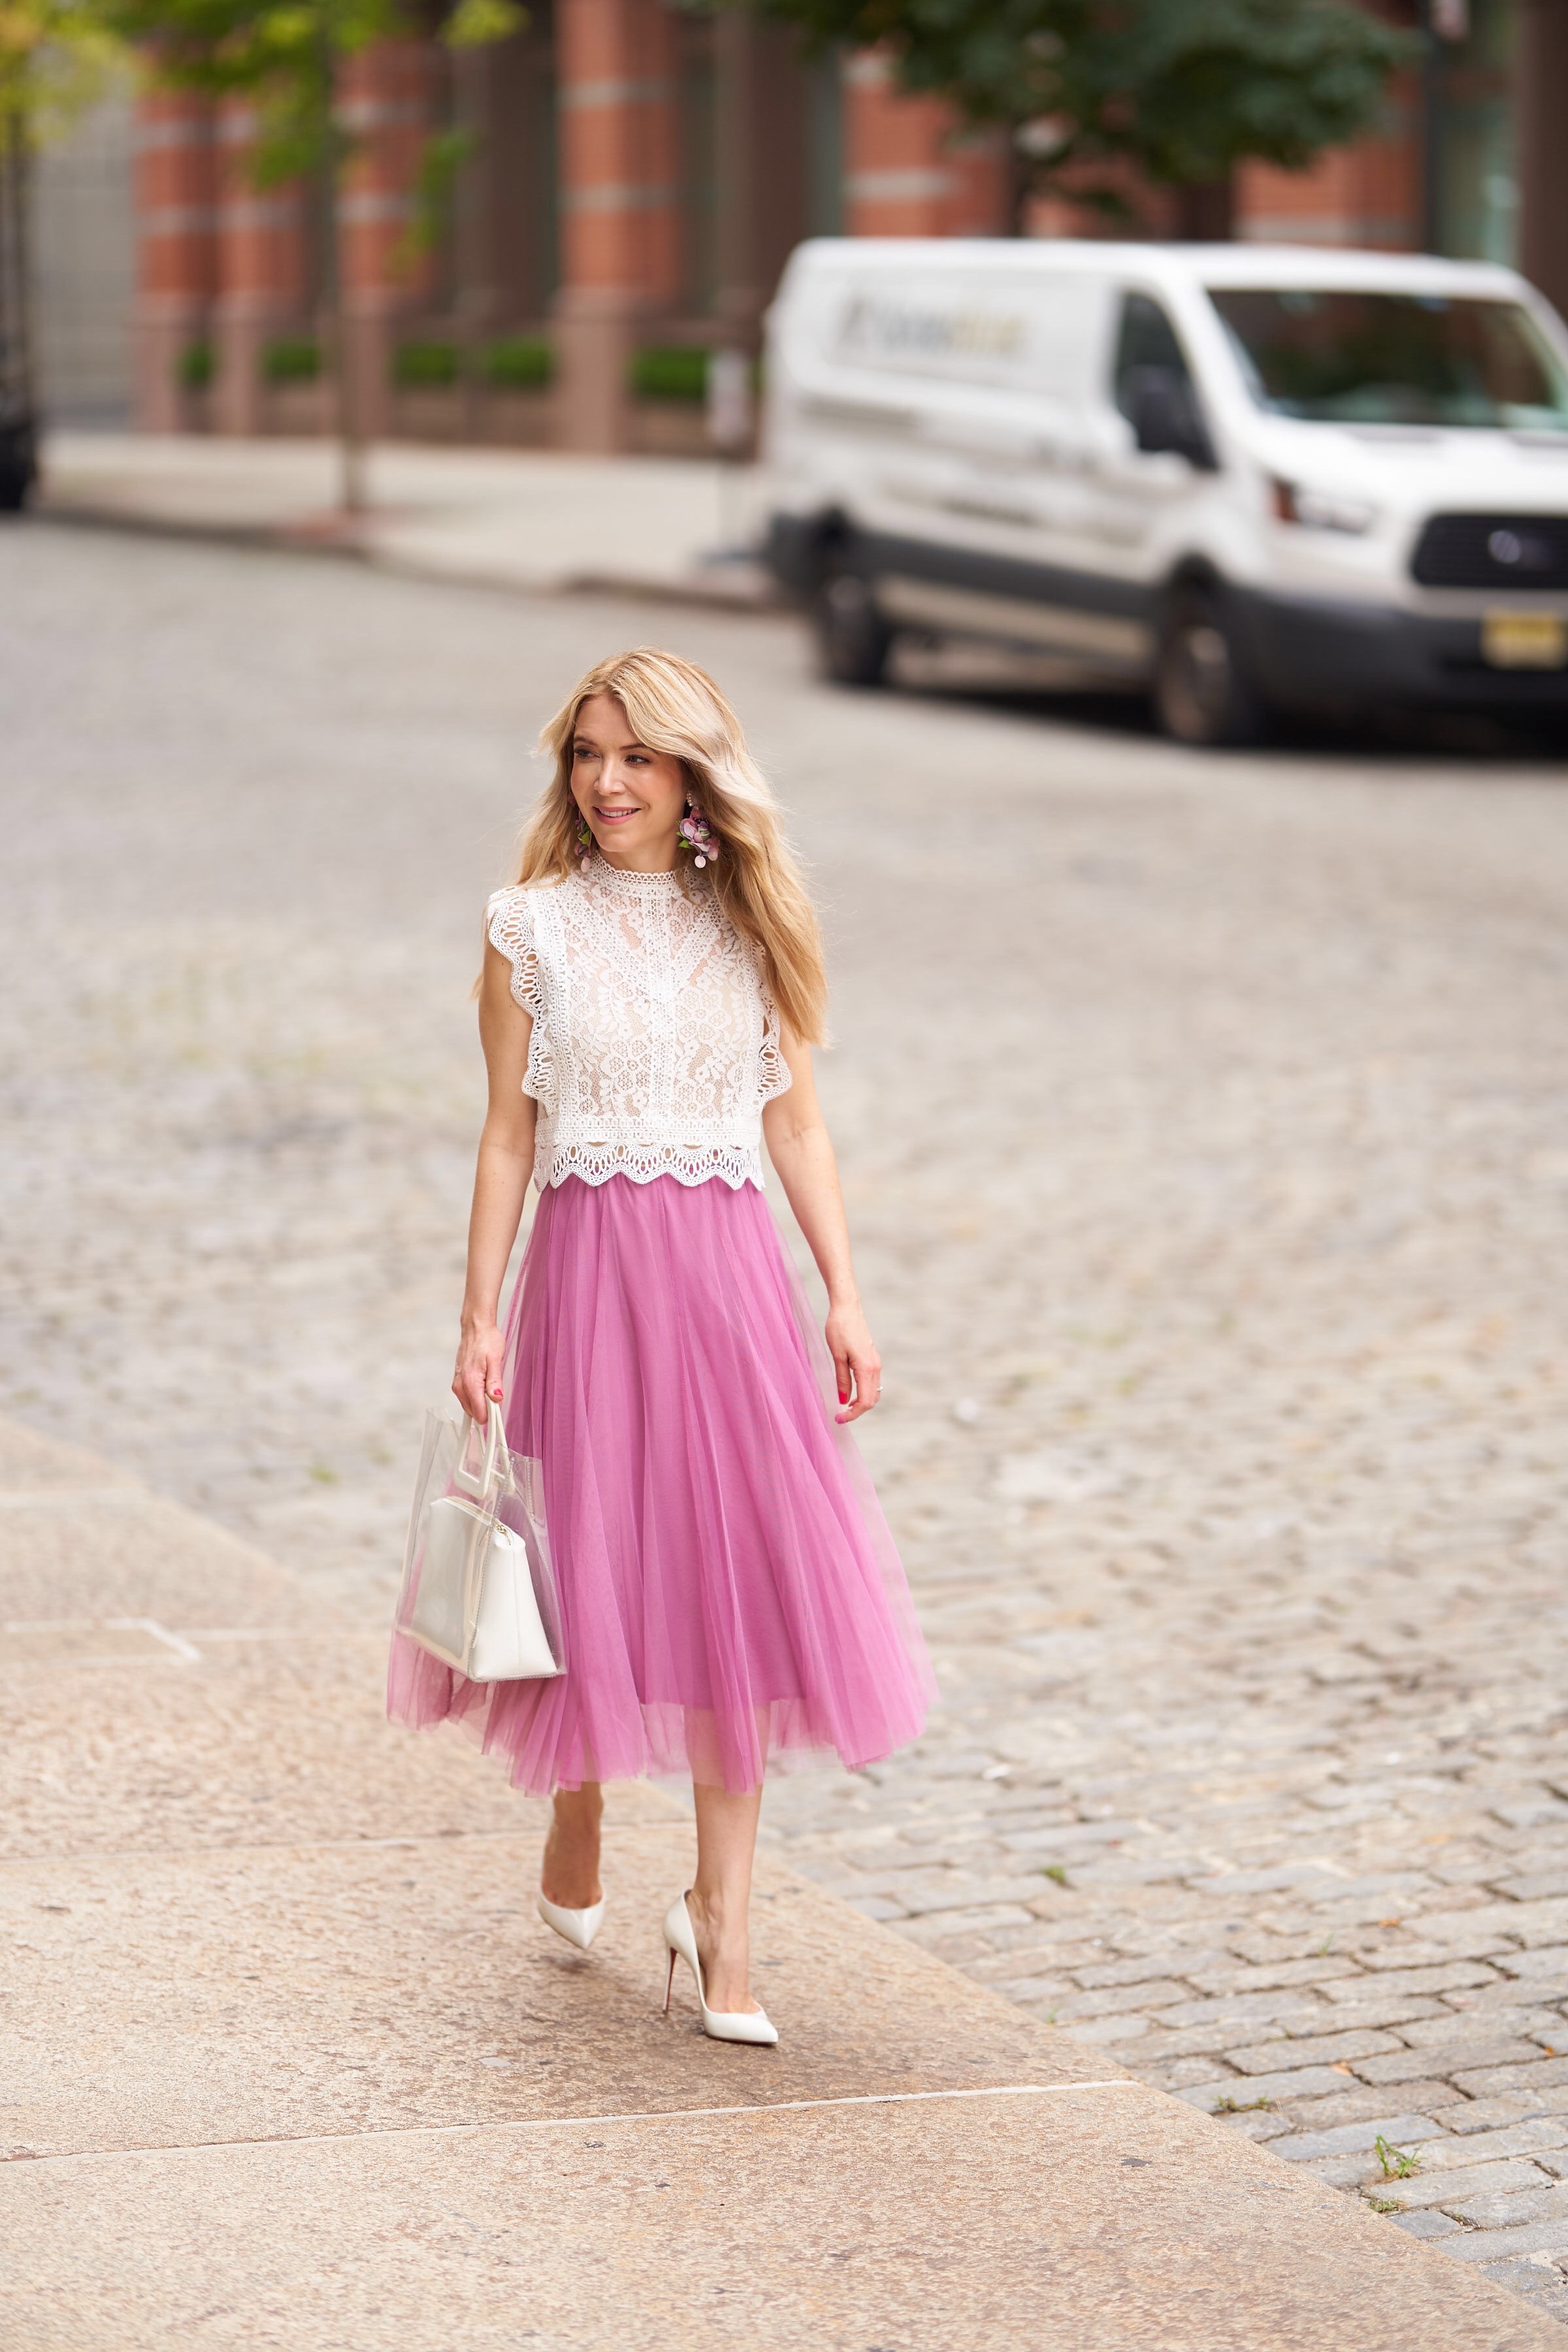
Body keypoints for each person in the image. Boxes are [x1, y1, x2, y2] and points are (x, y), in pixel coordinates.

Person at [388, 647, 934, 2044]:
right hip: (588, 1277)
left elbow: (796, 1124)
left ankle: (724, 1934)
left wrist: (845, 1292)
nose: (608, 781)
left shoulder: (749, 929)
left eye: (635, 756)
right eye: (586, 755)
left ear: (691, 771)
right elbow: (509, 1133)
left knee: (736, 1586)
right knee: (594, 1570)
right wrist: (479, 1313)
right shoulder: (530, 929)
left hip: (729, 1286)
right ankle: (575, 1801)